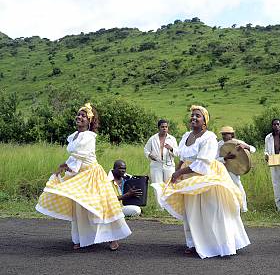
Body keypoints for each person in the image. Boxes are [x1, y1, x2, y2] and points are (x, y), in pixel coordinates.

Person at [151, 105, 250, 259]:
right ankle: (194, 243)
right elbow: (183, 158)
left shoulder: (209, 137)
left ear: (205, 121)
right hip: (188, 176)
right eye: (192, 115)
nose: (194, 118)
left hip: (205, 177)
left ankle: (220, 244)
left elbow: (202, 165)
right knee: (191, 212)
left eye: (198, 115)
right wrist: (175, 174)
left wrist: (179, 172)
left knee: (211, 211)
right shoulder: (186, 136)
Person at [36, 103, 131, 251]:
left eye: (83, 116)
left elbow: (79, 157)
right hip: (80, 175)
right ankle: (80, 239)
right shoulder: (75, 136)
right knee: (79, 207)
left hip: (92, 175)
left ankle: (113, 237)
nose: (79, 117)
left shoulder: (89, 137)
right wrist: (63, 167)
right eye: (79, 114)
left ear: (89, 121)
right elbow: (74, 158)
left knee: (100, 205)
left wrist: (65, 166)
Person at [216, 126, 256, 213]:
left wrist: (245, 147)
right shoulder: (219, 144)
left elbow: (253, 149)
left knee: (238, 187)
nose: (224, 136)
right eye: (223, 134)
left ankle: (243, 208)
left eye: (226, 134)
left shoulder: (237, 142)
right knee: (224, 189)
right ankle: (229, 209)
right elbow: (215, 159)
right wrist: (225, 158)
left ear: (231, 135)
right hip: (222, 169)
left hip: (234, 169)